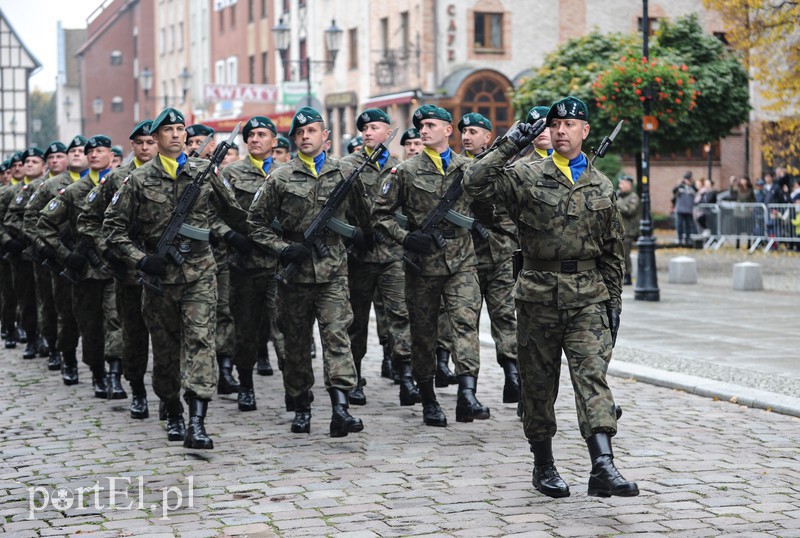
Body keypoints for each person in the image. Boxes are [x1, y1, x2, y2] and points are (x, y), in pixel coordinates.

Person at [464, 95, 638, 499]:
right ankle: (543, 464)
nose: (561, 131)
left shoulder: (601, 183)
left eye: (569, 125)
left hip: (588, 297)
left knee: (591, 379)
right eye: (555, 124)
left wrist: (614, 304)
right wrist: (511, 142)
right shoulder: (525, 175)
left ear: (584, 131)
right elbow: (474, 183)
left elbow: (613, 251)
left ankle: (602, 464)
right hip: (538, 295)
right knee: (539, 388)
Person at [103, 107, 248, 449]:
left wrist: (254, 233)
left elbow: (235, 214)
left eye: (180, 128)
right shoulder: (137, 180)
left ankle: (197, 421)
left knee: (201, 342)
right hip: (158, 279)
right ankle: (172, 409)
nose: (176, 134)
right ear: (154, 139)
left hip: (200, 273)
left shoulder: (206, 172)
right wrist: (141, 260)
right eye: (167, 130)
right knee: (166, 352)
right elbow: (112, 229)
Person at [247, 106, 372, 437]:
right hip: (295, 275)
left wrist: (358, 239)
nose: (305, 137)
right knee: (296, 345)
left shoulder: (345, 175)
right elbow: (255, 224)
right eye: (299, 133)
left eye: (311, 131)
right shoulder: (280, 178)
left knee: (337, 336)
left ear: (325, 137)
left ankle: (340, 408)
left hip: (333, 272)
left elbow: (364, 218)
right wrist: (283, 248)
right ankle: (301, 405)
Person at [373, 104, 488, 427]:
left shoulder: (467, 169)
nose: (424, 131)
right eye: (421, 126)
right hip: (422, 265)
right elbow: (380, 216)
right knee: (423, 334)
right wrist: (406, 238)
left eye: (431, 125)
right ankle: (429, 398)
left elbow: (488, 206)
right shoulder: (405, 172)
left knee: (465, 324)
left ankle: (467, 392)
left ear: (448, 130)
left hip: (461, 261)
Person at [76, 121, 157, 419]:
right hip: (129, 274)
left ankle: (170, 396)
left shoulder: (177, 177)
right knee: (133, 335)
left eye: (151, 141)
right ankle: (136, 389)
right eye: (140, 142)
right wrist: (110, 250)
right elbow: (88, 220)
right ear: (132, 146)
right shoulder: (116, 179)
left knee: (167, 338)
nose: (146, 147)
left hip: (166, 273)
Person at [36, 135, 125, 400]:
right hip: (85, 270)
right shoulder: (73, 191)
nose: (95, 154)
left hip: (116, 267)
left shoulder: (124, 185)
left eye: (100, 150)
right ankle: (96, 372)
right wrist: (65, 255)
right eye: (91, 151)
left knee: (115, 320)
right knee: (90, 326)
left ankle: (114, 375)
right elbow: (44, 224)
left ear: (111, 154)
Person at [342, 108, 419, 407]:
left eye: (375, 127)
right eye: (365, 129)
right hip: (358, 256)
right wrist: (352, 234)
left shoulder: (402, 169)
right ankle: (353, 379)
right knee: (356, 320)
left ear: (389, 133)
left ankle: (407, 377)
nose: (368, 132)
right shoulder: (347, 167)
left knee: (401, 315)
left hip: (392, 254)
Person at [219, 115, 286, 412]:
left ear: (274, 140)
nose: (255, 139)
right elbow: (210, 214)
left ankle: (295, 388)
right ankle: (245, 384)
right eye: (250, 135)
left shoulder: (289, 172)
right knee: (244, 330)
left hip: (281, 264)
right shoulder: (232, 174)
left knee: (284, 328)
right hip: (244, 265)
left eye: (262, 134)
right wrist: (230, 236)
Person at [458, 112, 521, 404]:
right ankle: (467, 390)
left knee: (506, 318)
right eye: (463, 132)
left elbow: (514, 215)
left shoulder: (507, 168)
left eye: (473, 131)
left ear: (488, 137)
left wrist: (506, 239)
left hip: (499, 257)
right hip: (464, 259)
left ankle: (513, 378)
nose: (466, 136)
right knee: (464, 323)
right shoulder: (455, 168)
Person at [23, 136, 88, 383]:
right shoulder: (50, 186)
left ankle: (106, 367)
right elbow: (31, 220)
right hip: (58, 258)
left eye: (81, 150)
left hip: (90, 260)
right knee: (59, 309)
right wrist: (45, 247)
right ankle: (61, 353)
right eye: (70, 152)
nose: (75, 155)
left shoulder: (102, 183)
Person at [1, 147, 46, 359]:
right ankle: (26, 336)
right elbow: (5, 220)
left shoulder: (49, 187)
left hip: (45, 253)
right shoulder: (11, 192)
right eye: (22, 163)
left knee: (46, 300)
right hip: (20, 254)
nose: (25, 166)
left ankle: (46, 339)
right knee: (22, 299)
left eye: (31, 162)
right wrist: (9, 241)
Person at [616, 176, 640, 285]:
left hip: (628, 231)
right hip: (618, 230)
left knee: (625, 254)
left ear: (629, 185)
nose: (620, 186)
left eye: (622, 184)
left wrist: (617, 201)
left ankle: (628, 275)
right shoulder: (620, 196)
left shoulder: (633, 197)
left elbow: (630, 210)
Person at [672, 171, 696, 246]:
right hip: (680, 209)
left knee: (688, 225)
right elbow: (674, 190)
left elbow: (696, 192)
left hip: (688, 210)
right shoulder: (680, 187)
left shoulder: (692, 187)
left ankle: (688, 239)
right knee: (679, 225)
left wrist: (691, 185)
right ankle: (679, 238)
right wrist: (679, 183)